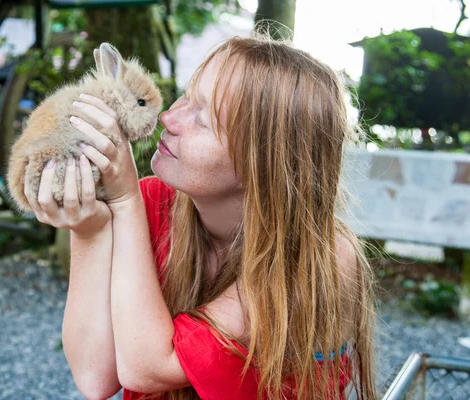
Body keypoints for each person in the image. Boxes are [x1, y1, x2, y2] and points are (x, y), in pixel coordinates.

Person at [25, 34, 377, 400]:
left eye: (203, 119)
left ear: (264, 164)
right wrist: (89, 228)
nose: (168, 117)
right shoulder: (155, 203)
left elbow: (146, 368)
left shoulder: (320, 257)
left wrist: (124, 200)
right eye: (187, 95)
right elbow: (95, 378)